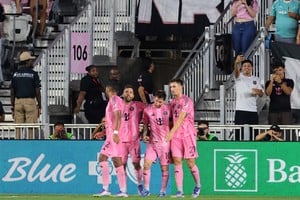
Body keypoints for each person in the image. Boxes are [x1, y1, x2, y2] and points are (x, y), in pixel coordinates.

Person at [165, 79, 201, 198]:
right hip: (176, 137)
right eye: (171, 87)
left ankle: (198, 185)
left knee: (190, 163)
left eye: (174, 86)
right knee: (177, 161)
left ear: (181, 87)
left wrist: (171, 132)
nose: (172, 89)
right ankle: (180, 191)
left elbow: (181, 118)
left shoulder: (187, 100)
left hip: (187, 135)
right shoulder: (171, 102)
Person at [93, 84, 128, 197]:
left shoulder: (114, 99)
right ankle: (106, 189)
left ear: (108, 90)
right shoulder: (114, 101)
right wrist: (103, 132)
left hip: (115, 136)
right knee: (103, 158)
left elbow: (118, 115)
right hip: (111, 135)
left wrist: (116, 132)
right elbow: (112, 120)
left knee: (116, 160)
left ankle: (122, 190)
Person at [140, 90, 172, 197]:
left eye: (160, 102)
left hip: (165, 144)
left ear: (164, 101)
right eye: (157, 101)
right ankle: (147, 190)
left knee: (164, 168)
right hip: (152, 143)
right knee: (146, 164)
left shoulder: (168, 109)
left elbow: (174, 122)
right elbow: (145, 124)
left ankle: (162, 191)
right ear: (154, 98)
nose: (158, 103)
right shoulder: (147, 110)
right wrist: (144, 134)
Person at [119, 84, 145, 194]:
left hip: (134, 140)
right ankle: (123, 190)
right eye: (126, 91)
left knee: (136, 164)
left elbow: (150, 110)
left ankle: (140, 185)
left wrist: (144, 126)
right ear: (123, 94)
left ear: (133, 95)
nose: (128, 94)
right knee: (121, 165)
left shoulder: (138, 105)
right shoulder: (118, 106)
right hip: (121, 140)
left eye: (130, 92)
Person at [10, 51, 41, 139]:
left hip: (18, 102)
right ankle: (30, 146)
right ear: (27, 61)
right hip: (30, 101)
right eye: (30, 60)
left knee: (18, 128)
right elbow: (37, 91)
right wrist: (39, 105)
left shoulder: (15, 74)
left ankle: (18, 146)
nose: (32, 62)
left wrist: (12, 106)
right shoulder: (33, 74)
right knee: (31, 127)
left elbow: (12, 92)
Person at [233, 55, 263, 125]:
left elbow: (261, 94)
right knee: (240, 133)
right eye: (244, 66)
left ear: (252, 67)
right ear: (241, 68)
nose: (247, 67)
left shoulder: (256, 79)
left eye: (249, 66)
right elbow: (236, 73)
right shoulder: (239, 76)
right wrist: (237, 63)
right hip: (241, 109)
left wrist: (257, 91)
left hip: (253, 110)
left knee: (253, 133)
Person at [265, 61, 294, 125]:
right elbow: (267, 93)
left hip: (286, 111)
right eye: (276, 71)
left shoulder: (289, 81)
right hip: (273, 111)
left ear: (284, 70)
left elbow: (288, 92)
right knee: (273, 132)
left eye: (280, 70)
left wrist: (280, 82)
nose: (278, 72)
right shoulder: (268, 82)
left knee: (287, 132)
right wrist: (272, 81)